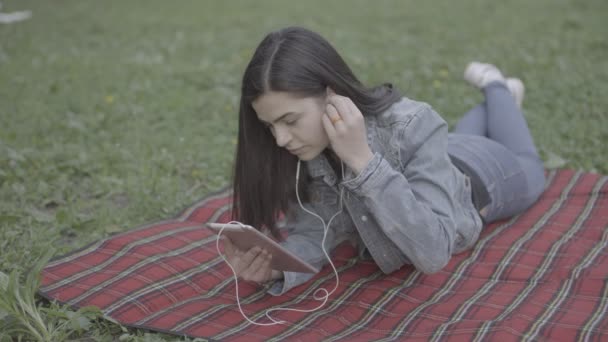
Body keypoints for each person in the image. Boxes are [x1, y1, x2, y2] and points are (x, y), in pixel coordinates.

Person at [222, 26, 546, 296]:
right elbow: (313, 232)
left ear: (331, 94)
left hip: (484, 174)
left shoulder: (413, 123)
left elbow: (433, 253)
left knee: (530, 164)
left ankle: (496, 86)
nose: (280, 139)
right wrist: (276, 266)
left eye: (290, 120)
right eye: (269, 126)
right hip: (444, 152)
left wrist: (362, 160)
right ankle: (493, 103)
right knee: (466, 134)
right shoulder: (304, 148)